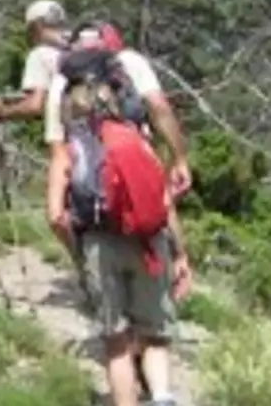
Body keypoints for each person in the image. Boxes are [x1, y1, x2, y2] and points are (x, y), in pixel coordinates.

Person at [44, 31, 194, 406]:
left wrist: (77, 253)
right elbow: (162, 202)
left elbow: (55, 216)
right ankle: (161, 397)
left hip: (97, 239)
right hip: (148, 243)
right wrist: (180, 254)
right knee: (155, 336)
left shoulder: (71, 141)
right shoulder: (135, 136)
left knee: (116, 343)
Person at [0, 0, 74, 127]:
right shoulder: (78, 48)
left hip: (73, 140)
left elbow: (34, 106)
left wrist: (0, 112)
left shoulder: (40, 54)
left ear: (36, 26)